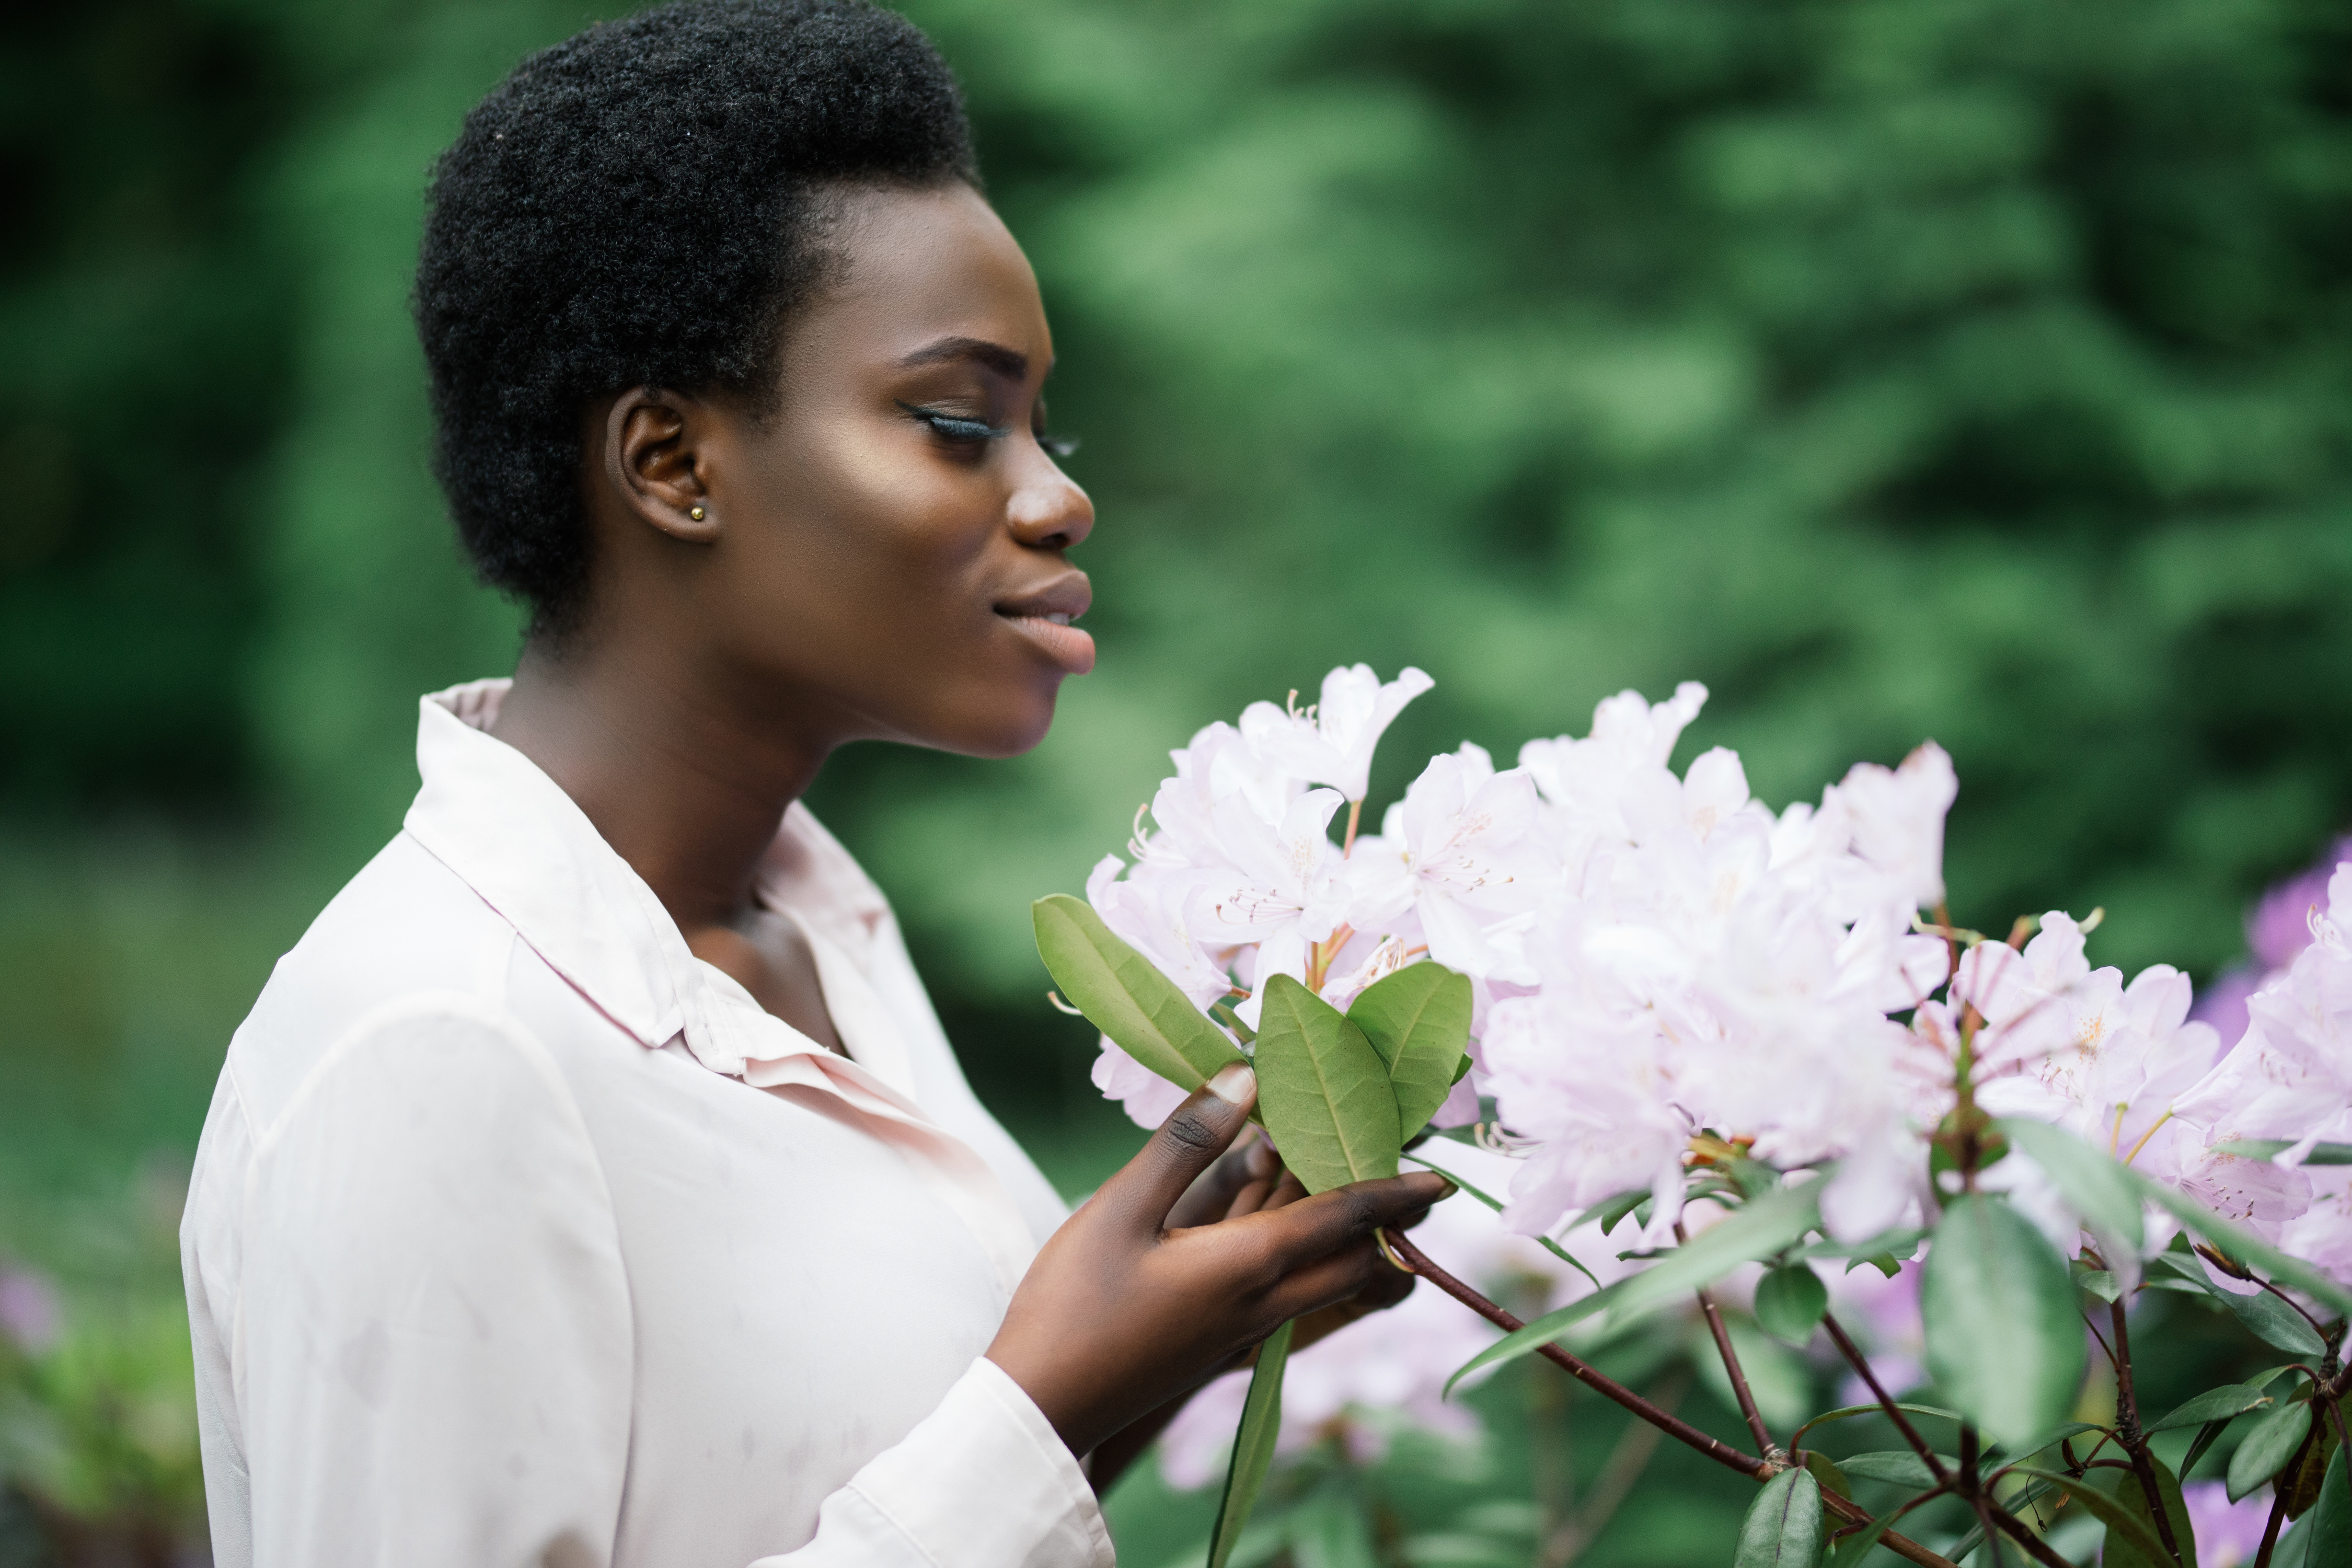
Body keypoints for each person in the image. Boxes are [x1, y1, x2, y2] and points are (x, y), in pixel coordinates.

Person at [176, 4, 1450, 1566]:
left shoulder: (811, 930)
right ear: (671, 464)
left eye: (1042, 425)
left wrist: (1139, 1372)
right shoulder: (439, 1041)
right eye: (957, 422)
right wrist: (1041, 1411)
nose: (1057, 495)